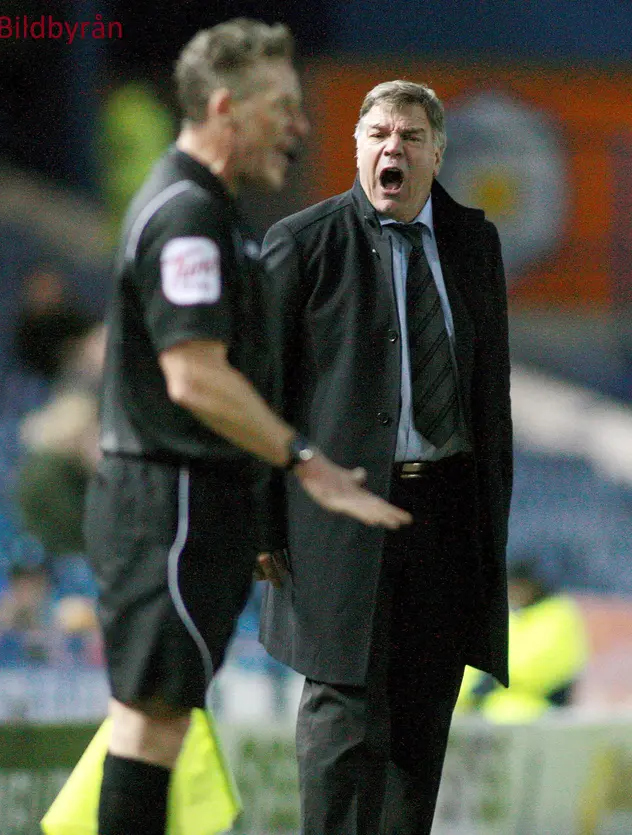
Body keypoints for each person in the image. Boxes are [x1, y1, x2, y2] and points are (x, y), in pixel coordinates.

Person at [83, 21, 411, 835]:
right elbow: (193, 374)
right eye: (284, 107)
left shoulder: (213, 210)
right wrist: (305, 461)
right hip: (167, 501)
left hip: (191, 503)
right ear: (226, 107)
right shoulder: (189, 212)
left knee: (158, 717)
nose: (301, 126)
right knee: (151, 720)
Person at [257, 79, 513, 834]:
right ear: (358, 147)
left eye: (408, 136)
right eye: (377, 135)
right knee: (341, 716)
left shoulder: (475, 242)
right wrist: (265, 525)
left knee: (421, 720)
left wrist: (486, 526)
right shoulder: (302, 243)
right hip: (335, 513)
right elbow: (262, 396)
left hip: (442, 514)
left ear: (438, 151)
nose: (391, 148)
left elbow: (488, 397)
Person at [456, 559, 588, 722]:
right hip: (494, 703)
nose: (513, 592)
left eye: (518, 586)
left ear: (534, 585)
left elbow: (539, 666)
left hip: (539, 706)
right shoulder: (510, 615)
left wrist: (492, 678)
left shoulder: (557, 614)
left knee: (507, 713)